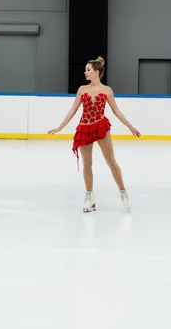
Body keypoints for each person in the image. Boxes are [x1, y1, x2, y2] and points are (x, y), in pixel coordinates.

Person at [48, 57, 141, 213]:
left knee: (111, 161)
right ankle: (89, 196)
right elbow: (73, 110)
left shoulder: (107, 90)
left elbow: (116, 111)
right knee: (87, 164)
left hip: (100, 127)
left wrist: (130, 126)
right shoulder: (82, 90)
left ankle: (123, 191)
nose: (85, 72)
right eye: (85, 70)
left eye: (88, 70)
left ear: (96, 72)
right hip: (85, 128)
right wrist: (60, 127)